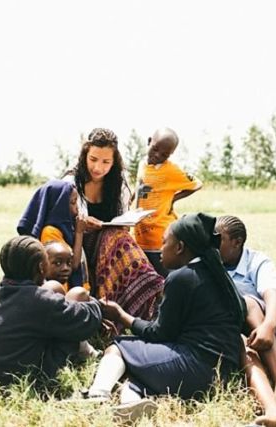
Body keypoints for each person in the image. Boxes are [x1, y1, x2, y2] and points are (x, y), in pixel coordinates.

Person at [83, 213, 247, 423]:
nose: (160, 250)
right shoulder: (220, 276)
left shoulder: (182, 278)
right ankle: (129, 405)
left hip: (194, 367)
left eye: (164, 243)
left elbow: (159, 333)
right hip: (221, 375)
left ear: (179, 247)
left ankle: (98, 394)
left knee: (119, 346)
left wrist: (121, 315)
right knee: (139, 371)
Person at [0, 235, 102, 389]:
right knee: (77, 296)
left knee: (54, 289)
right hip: (25, 380)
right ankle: (89, 354)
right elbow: (85, 321)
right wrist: (97, 305)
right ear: (42, 268)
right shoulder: (38, 300)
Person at [64, 128, 164, 322]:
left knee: (119, 237)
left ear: (114, 161)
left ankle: (153, 293)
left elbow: (123, 222)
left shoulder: (119, 182)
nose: (98, 167)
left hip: (112, 240)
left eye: (105, 162)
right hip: (79, 243)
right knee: (117, 239)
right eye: (93, 159)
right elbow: (63, 223)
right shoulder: (71, 181)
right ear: (85, 154)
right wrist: (82, 225)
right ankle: (153, 293)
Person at [216, 215, 276, 427]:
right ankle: (267, 403)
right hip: (249, 339)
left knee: (247, 303)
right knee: (239, 343)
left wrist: (268, 327)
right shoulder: (214, 265)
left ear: (237, 242)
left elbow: (273, 297)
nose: (214, 245)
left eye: (219, 240)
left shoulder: (257, 261)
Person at [134, 127, 203, 277]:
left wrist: (174, 198)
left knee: (166, 281)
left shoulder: (171, 170)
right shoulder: (142, 165)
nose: (157, 155)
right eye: (155, 149)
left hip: (161, 238)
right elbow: (141, 189)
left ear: (171, 155)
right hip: (141, 237)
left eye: (164, 155)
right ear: (149, 141)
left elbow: (197, 184)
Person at [17, 179, 89, 290]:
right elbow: (73, 264)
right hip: (61, 290)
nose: (77, 208)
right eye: (73, 202)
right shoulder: (50, 231)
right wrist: (79, 233)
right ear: (59, 206)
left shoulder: (65, 227)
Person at [42, 240, 100, 360]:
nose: (65, 268)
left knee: (79, 295)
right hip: (45, 352)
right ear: (42, 265)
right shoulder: (48, 288)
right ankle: (86, 352)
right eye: (57, 263)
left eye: (69, 263)